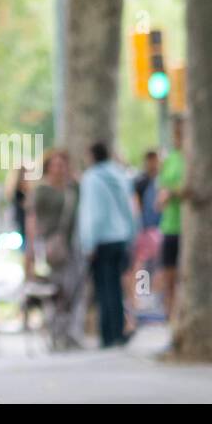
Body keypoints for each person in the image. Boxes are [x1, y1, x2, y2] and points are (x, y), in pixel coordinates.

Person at [77, 142, 138, 348]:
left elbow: (92, 214)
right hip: (121, 238)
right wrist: (131, 234)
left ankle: (108, 335)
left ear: (91, 156)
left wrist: (89, 243)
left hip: (101, 240)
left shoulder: (91, 178)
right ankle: (119, 331)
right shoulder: (120, 175)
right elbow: (129, 209)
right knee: (116, 288)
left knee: (104, 289)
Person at [24, 148, 83, 351]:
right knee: (57, 291)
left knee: (74, 290)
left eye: (63, 164)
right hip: (52, 248)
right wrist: (30, 251)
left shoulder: (73, 189)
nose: (61, 169)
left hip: (72, 246)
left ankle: (69, 333)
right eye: (57, 165)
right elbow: (31, 220)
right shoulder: (41, 192)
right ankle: (55, 333)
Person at [156, 114, 189, 324]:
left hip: (187, 228)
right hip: (170, 226)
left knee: (185, 278)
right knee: (169, 279)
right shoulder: (170, 160)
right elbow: (160, 194)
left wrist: (175, 192)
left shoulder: (192, 158)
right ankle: (171, 320)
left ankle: (182, 317)